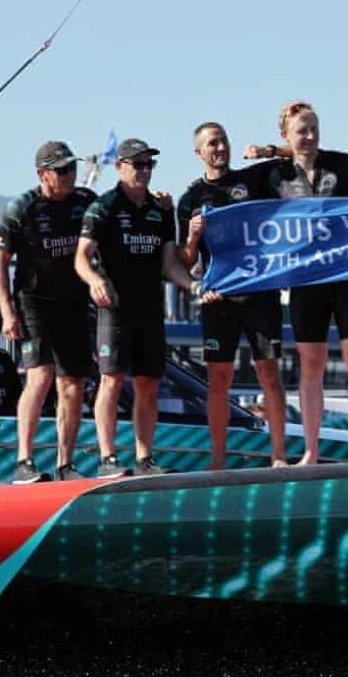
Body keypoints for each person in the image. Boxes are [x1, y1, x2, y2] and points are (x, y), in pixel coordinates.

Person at [255, 101, 348, 464]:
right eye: (301, 131)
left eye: (313, 129)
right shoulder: (272, 175)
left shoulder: (342, 163)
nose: (308, 137)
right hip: (306, 279)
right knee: (311, 363)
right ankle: (310, 450)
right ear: (285, 136)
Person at [75, 138, 205, 477]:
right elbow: (81, 258)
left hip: (150, 309)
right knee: (111, 380)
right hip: (115, 309)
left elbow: (171, 265)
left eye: (149, 165)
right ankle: (107, 457)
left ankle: (144, 458)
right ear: (120, 167)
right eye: (138, 164)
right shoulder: (104, 207)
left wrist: (193, 286)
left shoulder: (160, 211)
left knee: (148, 383)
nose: (144, 171)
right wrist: (93, 280)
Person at [176, 122, 288, 469]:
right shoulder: (190, 199)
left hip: (260, 291)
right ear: (199, 153)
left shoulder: (252, 181)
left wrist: (268, 150)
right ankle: (218, 459)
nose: (219, 148)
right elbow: (185, 260)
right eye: (212, 144)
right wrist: (193, 237)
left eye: (223, 140)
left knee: (269, 372)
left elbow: (296, 158)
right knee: (219, 380)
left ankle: (279, 455)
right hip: (219, 298)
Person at [0, 142, 97, 482]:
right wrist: (6, 311)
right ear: (43, 174)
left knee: (72, 382)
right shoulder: (21, 208)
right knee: (39, 376)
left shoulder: (85, 202)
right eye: (61, 170)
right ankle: (25, 461)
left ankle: (65, 464)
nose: (69, 175)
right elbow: (1, 263)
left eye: (72, 168)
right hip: (33, 300)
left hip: (72, 301)